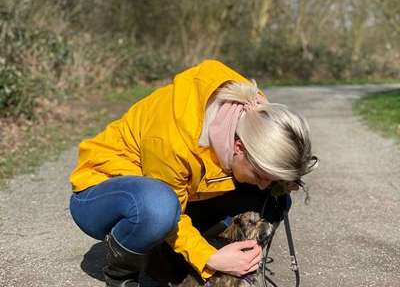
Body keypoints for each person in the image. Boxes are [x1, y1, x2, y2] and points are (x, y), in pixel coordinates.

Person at [69, 60, 317, 287]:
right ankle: (122, 276)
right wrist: (208, 257)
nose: (263, 183)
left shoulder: (255, 115)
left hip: (176, 195)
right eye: (261, 174)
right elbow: (171, 209)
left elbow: (259, 180)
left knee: (273, 195)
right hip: (102, 194)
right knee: (158, 206)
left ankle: (233, 273)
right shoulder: (172, 136)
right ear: (239, 147)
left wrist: (279, 182)